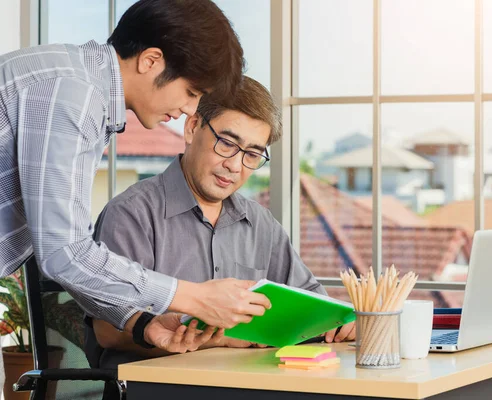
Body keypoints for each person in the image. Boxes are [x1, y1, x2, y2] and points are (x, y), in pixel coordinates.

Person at [0, 1, 270, 382]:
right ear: (151, 60)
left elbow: (63, 254)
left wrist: (142, 323)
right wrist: (194, 296)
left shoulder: (79, 88)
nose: (189, 108)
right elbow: (66, 253)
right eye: (191, 91)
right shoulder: (71, 95)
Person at [85, 76, 356, 375]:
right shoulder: (131, 214)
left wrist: (341, 323)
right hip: (154, 389)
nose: (235, 165)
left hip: (251, 388)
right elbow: (107, 331)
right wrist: (221, 339)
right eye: (227, 143)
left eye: (252, 154)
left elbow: (312, 309)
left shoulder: (262, 225)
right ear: (192, 128)